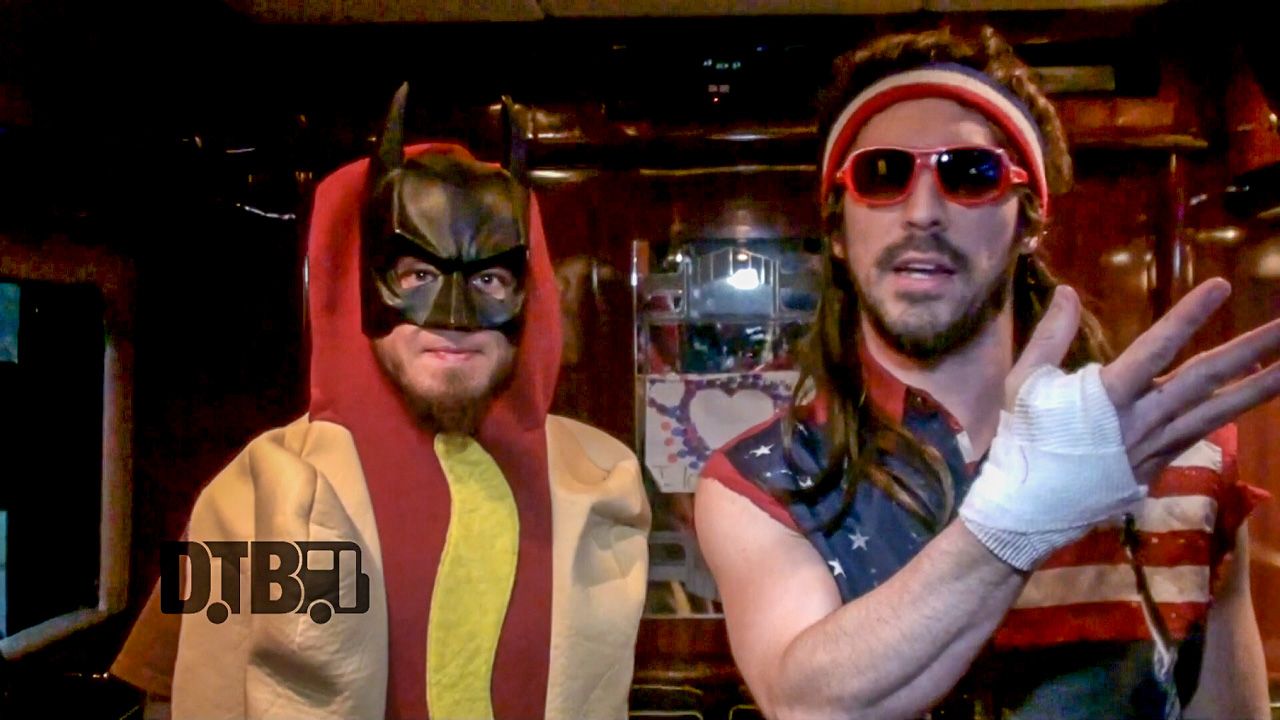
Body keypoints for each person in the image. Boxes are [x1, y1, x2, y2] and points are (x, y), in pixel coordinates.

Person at [695, 26, 1278, 719]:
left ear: (1028, 224)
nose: (922, 213)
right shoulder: (763, 479)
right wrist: (1022, 517)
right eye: (882, 175)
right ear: (838, 232)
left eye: (971, 174)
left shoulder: (1179, 462)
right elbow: (809, 706)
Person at [110, 84, 650, 719]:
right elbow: (178, 689)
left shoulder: (598, 483)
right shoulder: (255, 497)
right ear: (363, 282)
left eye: (489, 278)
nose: (453, 318)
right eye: (418, 275)